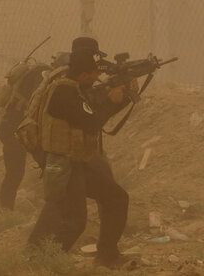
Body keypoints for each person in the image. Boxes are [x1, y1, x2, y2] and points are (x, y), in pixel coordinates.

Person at [27, 37, 136, 267]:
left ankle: (107, 255)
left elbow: (91, 111)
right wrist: (113, 101)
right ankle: (43, 263)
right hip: (64, 165)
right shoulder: (64, 93)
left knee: (116, 198)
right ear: (84, 74)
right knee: (75, 222)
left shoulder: (73, 87)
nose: (98, 77)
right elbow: (91, 121)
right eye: (95, 74)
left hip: (77, 162)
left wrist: (120, 97)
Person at [0, 53, 70, 210]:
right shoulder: (43, 78)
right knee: (18, 173)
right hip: (16, 130)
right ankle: (6, 210)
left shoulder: (41, 74)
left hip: (17, 128)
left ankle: (8, 209)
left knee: (25, 171)